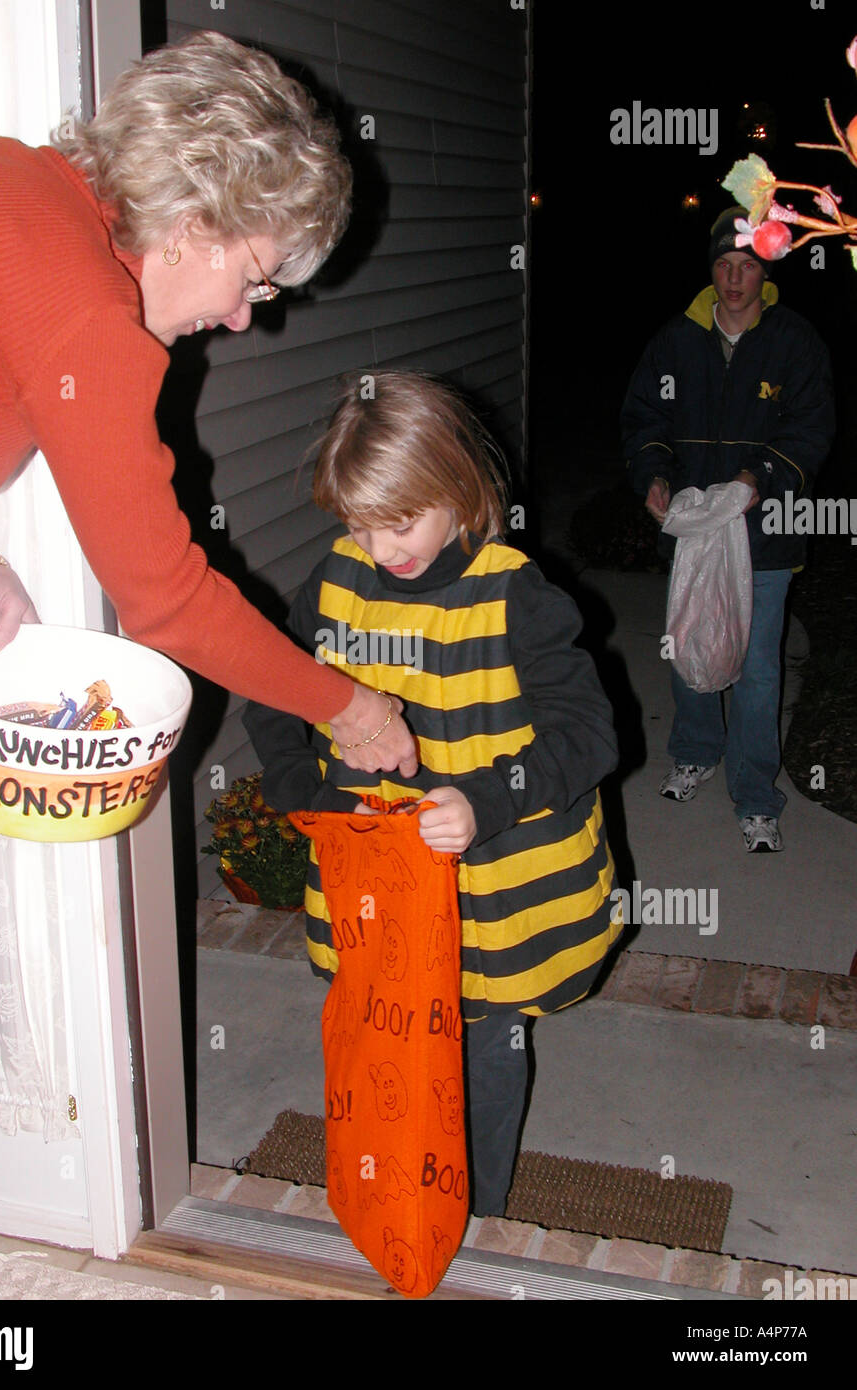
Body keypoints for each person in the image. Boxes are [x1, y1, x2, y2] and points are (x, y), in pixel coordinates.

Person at [0, 30, 417, 1283]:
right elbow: (168, 598)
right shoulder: (84, 304)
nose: (245, 314)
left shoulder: (3, 188)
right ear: (203, 213)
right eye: (259, 277)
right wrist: (348, 705)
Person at [243, 371, 621, 1216]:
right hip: (379, 880)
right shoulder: (339, 578)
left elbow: (589, 735)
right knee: (386, 1036)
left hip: (493, 879)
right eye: (357, 524)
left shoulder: (513, 592)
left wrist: (484, 801)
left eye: (401, 521)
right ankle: (399, 1189)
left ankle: (473, 1214)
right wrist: (302, 786)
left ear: (456, 488)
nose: (381, 549)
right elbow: (272, 683)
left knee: (481, 1044)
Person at [621, 207, 834, 853]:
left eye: (746, 265)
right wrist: (653, 477)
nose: (733, 278)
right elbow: (643, 419)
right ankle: (693, 753)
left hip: (763, 532)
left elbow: (811, 428)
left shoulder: (792, 340)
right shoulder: (675, 340)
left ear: (763, 270)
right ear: (710, 269)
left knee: (755, 667)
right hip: (693, 530)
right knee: (689, 644)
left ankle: (754, 796)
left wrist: (758, 477)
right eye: (723, 264)